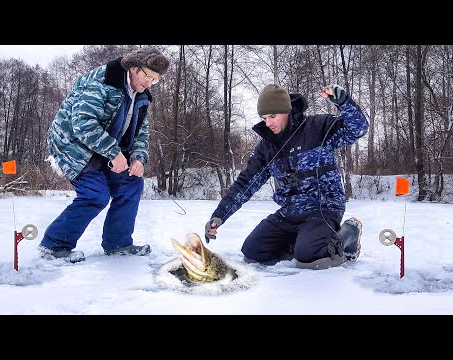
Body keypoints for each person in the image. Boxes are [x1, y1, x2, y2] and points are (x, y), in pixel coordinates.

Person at [204, 83, 369, 270]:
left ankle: (349, 232)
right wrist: (219, 215)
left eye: (273, 116)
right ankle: (303, 241)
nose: (268, 123)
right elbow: (245, 184)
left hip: (323, 209)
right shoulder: (266, 147)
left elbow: (358, 129)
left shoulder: (318, 127)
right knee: (253, 253)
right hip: (289, 214)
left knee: (312, 258)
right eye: (264, 118)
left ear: (287, 111)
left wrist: (344, 102)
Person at [38, 47, 170, 263]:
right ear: (134, 68)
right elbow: (82, 124)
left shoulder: (141, 95)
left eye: (154, 81)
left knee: (131, 184)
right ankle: (53, 246)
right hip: (72, 144)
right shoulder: (102, 82)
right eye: (147, 76)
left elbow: (141, 131)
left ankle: (117, 243)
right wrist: (114, 153)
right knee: (95, 194)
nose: (149, 83)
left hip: (106, 146)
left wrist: (138, 157)